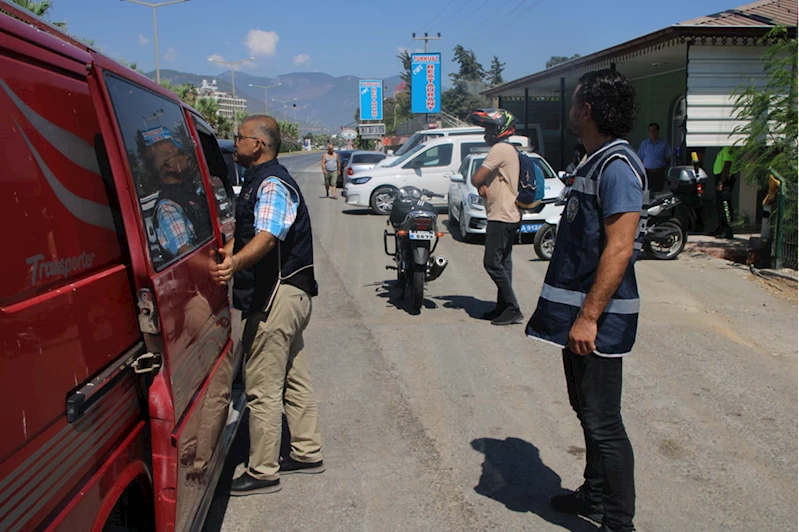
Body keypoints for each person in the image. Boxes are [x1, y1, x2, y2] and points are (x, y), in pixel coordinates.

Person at [527, 70, 646, 532]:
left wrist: (589, 318)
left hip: (599, 323)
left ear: (587, 110)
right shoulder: (596, 161)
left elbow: (619, 248)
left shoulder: (617, 166)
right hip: (580, 318)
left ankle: (619, 522)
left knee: (603, 423)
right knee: (587, 413)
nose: (571, 110)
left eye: (575, 103)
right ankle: (595, 498)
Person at [211, 115, 323, 496]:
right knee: (294, 377)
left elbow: (267, 237)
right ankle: (307, 452)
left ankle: (262, 471)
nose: (235, 142)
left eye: (239, 137)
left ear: (256, 145)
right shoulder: (261, 181)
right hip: (290, 295)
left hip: (277, 296)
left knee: (262, 386)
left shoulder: (272, 183)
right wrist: (225, 252)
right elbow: (246, 236)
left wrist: (233, 264)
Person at [469, 108, 524, 326]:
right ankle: (503, 308)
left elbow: (476, 177)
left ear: (501, 128)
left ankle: (512, 307)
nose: (487, 132)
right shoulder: (507, 149)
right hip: (508, 214)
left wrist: (479, 182)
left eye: (490, 127)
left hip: (501, 215)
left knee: (492, 263)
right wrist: (483, 183)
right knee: (504, 263)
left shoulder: (500, 149)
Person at [144, 138, 212, 260]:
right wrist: (216, 269)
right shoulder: (168, 206)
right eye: (180, 153)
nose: (188, 156)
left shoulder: (193, 191)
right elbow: (185, 252)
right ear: (167, 166)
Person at [637, 122, 670, 193]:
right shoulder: (644, 144)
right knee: (646, 192)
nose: (652, 133)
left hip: (659, 172)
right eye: (650, 131)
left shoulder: (664, 143)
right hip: (647, 172)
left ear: (657, 131)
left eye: (654, 131)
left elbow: (668, 158)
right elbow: (640, 159)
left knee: (658, 192)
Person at [713, 146, 736, 239]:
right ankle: (721, 228)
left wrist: (722, 182)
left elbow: (727, 165)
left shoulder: (728, 148)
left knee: (725, 204)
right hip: (720, 177)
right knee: (720, 205)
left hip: (725, 179)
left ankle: (728, 231)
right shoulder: (723, 149)